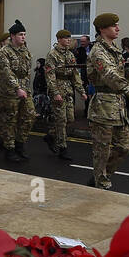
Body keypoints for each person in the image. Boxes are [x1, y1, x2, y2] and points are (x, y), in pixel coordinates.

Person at [86, 12, 129, 191]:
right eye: (114, 25)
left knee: (124, 148)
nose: (118, 28)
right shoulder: (98, 51)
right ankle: (101, 184)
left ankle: (101, 175)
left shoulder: (114, 49)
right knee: (101, 151)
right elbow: (108, 75)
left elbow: (118, 75)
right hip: (102, 107)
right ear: (102, 29)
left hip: (117, 106)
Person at [0, 19, 34, 163]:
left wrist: (26, 89)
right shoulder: (3, 53)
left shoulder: (25, 51)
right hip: (8, 93)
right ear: (12, 36)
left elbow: (27, 72)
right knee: (9, 121)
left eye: (24, 34)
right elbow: (6, 72)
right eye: (20, 34)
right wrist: (17, 88)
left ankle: (19, 145)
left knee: (28, 117)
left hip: (24, 91)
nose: (23, 37)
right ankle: (9, 149)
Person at [45, 29, 85, 160]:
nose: (69, 40)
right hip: (58, 90)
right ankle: (63, 148)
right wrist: (55, 92)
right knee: (61, 120)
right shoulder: (52, 55)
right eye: (66, 38)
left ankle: (51, 135)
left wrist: (81, 91)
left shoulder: (70, 55)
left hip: (68, 90)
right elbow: (50, 75)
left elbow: (75, 75)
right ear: (59, 39)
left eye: (69, 37)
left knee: (70, 119)